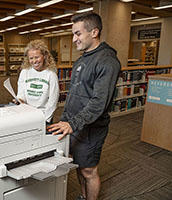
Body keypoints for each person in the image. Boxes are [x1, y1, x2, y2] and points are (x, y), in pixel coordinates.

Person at [48, 13, 121, 200]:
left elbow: (99, 103)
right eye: (73, 34)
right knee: (78, 165)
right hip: (73, 123)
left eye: (78, 34)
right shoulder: (82, 59)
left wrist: (73, 124)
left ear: (94, 32)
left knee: (89, 170)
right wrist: (65, 120)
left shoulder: (107, 61)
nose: (74, 39)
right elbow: (74, 95)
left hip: (90, 127)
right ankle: (83, 196)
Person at [16, 39, 59, 123]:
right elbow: (21, 94)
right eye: (31, 58)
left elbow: (53, 101)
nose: (34, 61)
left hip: (44, 115)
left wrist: (46, 120)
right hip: (27, 115)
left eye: (37, 57)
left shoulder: (51, 75)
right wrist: (19, 100)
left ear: (44, 56)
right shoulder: (24, 72)